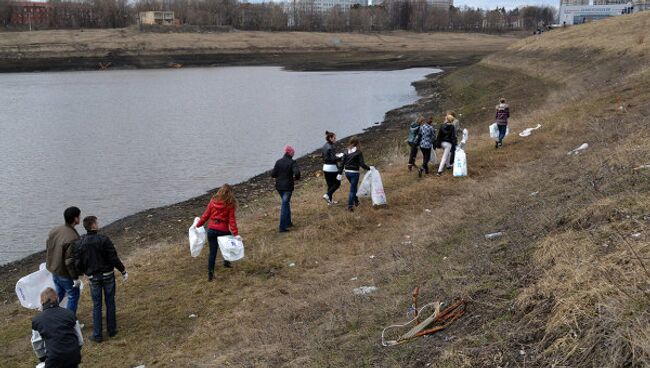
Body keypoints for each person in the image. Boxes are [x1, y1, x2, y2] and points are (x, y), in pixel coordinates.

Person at [73, 216, 127, 343]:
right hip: (108, 274)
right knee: (110, 302)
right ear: (93, 226)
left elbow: (77, 262)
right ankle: (112, 330)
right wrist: (123, 270)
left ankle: (97, 335)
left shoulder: (80, 243)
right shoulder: (104, 240)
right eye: (96, 223)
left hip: (93, 277)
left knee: (97, 305)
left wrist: (81, 273)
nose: (98, 224)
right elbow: (113, 257)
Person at [196, 184, 240, 281]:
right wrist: (236, 234)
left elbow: (205, 216)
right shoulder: (230, 204)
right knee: (227, 245)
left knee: (212, 253)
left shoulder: (213, 201)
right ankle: (226, 262)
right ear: (230, 193)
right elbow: (232, 221)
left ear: (219, 191)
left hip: (211, 230)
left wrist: (198, 225)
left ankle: (210, 276)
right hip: (223, 230)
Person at [31, 287, 83, 368]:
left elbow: (36, 343)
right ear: (58, 299)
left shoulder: (37, 321)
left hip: (53, 360)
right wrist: (74, 351)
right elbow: (80, 340)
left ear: (41, 302)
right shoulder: (69, 314)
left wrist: (43, 359)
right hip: (73, 356)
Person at [46, 206, 82, 315]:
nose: (80, 218)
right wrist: (75, 278)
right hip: (64, 273)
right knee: (73, 295)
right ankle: (69, 323)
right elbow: (70, 261)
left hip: (54, 269)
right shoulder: (72, 238)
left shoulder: (55, 230)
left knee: (59, 294)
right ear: (75, 219)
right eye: (79, 216)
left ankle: (48, 315)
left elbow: (49, 247)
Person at [271, 145, 301, 232]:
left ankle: (288, 223)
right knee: (284, 205)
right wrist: (296, 178)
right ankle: (282, 227)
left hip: (279, 187)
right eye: (293, 152)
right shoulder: (292, 162)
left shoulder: (278, 162)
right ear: (290, 153)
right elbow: (297, 173)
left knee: (286, 203)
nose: (294, 154)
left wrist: (280, 174)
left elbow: (273, 174)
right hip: (287, 187)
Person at [339, 137, 371, 212]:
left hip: (347, 173)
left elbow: (342, 163)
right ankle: (350, 206)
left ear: (350, 142)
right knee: (352, 190)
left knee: (354, 187)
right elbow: (362, 164)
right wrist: (369, 168)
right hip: (354, 173)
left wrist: (339, 173)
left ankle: (356, 202)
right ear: (357, 143)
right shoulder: (358, 152)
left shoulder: (346, 151)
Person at [322, 131, 343, 205]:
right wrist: (341, 157)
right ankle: (327, 195)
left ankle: (329, 202)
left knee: (330, 185)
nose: (335, 139)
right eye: (334, 138)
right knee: (337, 183)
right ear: (330, 138)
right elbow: (333, 159)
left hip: (325, 167)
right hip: (332, 168)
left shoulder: (324, 146)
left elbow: (327, 157)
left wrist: (336, 155)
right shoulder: (332, 146)